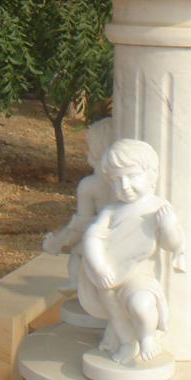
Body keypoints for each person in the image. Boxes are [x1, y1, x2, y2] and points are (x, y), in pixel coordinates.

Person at [80, 139, 185, 365]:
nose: (124, 186)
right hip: (109, 278)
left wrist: (168, 225)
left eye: (132, 176)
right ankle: (128, 342)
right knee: (116, 315)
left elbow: (172, 244)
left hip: (139, 277)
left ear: (152, 175)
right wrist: (98, 267)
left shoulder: (158, 208)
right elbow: (92, 236)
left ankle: (147, 337)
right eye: (117, 181)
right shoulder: (111, 210)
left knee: (141, 305)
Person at [42, 117, 114, 289]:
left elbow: (81, 224)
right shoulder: (124, 182)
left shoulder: (90, 185)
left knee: (77, 253)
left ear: (97, 149)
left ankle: (76, 281)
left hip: (99, 240)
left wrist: (56, 242)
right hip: (119, 239)